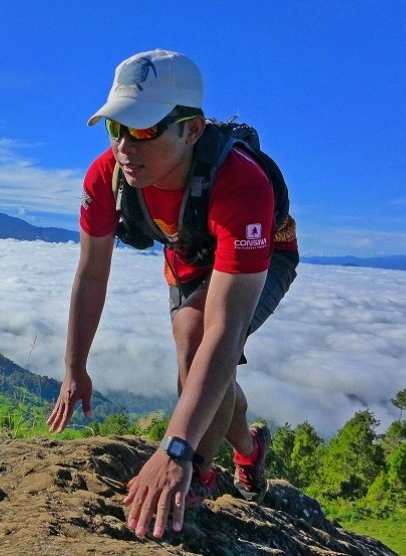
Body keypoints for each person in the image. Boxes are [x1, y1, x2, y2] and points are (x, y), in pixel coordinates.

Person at [46, 49, 298, 539]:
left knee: (198, 340)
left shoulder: (242, 185)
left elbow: (223, 331)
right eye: (115, 128)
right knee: (200, 359)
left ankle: (199, 479)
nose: (124, 145)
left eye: (143, 129)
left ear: (193, 129)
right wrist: (75, 367)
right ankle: (248, 448)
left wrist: (177, 451)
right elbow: (91, 274)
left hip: (265, 254)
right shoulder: (107, 176)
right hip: (188, 257)